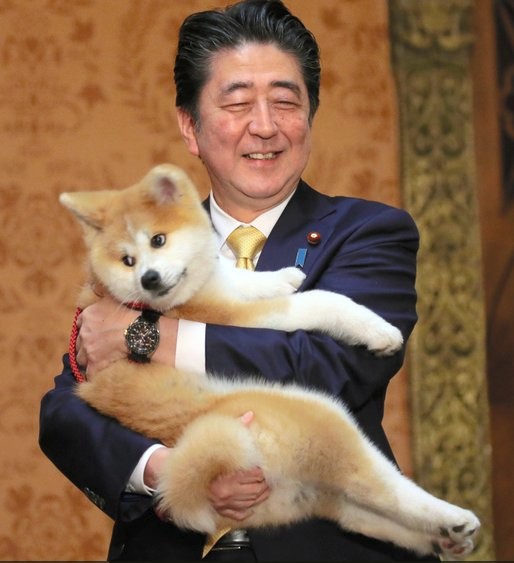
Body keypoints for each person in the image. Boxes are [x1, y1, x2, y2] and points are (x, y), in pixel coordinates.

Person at [39, 1, 436, 561]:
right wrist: (169, 471)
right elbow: (67, 407)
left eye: (285, 101)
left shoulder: (370, 232)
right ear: (191, 127)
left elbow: (324, 367)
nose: (265, 126)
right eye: (238, 103)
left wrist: (146, 337)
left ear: (310, 116)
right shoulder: (144, 247)